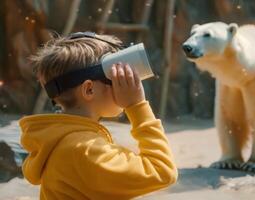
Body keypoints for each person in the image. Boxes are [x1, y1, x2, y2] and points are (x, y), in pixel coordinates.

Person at [19, 32, 177, 200]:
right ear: (89, 90)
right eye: (115, 79)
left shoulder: (61, 139)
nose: (124, 85)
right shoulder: (85, 150)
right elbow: (162, 171)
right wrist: (136, 107)